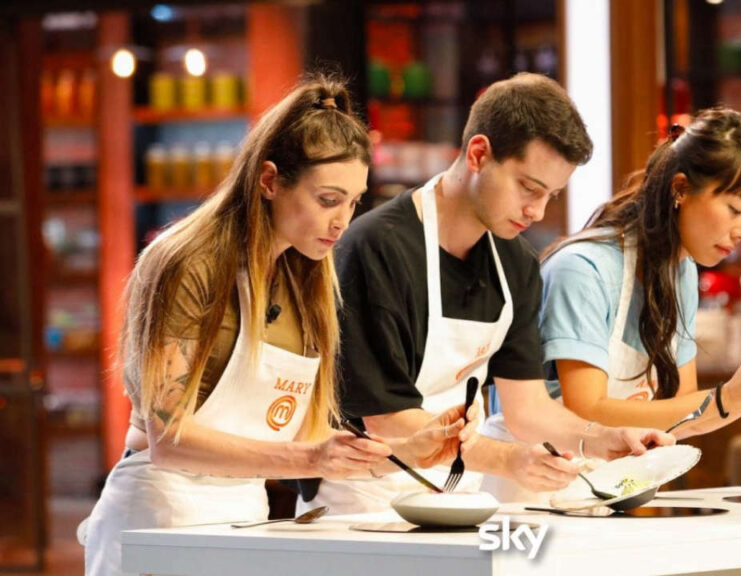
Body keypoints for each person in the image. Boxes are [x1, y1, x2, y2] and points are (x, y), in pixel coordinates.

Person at [82, 75, 473, 576]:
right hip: (159, 516)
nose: (342, 221)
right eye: (327, 200)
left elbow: (307, 435)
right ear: (269, 181)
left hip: (245, 518)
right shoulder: (188, 263)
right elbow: (169, 439)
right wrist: (311, 459)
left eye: (353, 202)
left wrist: (403, 452)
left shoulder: (307, 279)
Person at [299, 73, 675, 515]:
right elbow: (388, 420)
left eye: (551, 196)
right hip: (361, 503)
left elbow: (528, 408)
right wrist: (509, 460)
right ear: (479, 154)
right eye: (528, 188)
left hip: (461, 498)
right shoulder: (375, 248)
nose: (537, 211)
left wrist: (602, 439)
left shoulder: (515, 264)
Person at [484, 108, 741, 478]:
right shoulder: (584, 270)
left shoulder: (680, 271)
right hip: (530, 486)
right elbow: (587, 411)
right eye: (734, 209)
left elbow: (681, 413)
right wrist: (726, 398)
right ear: (680, 189)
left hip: (605, 487)